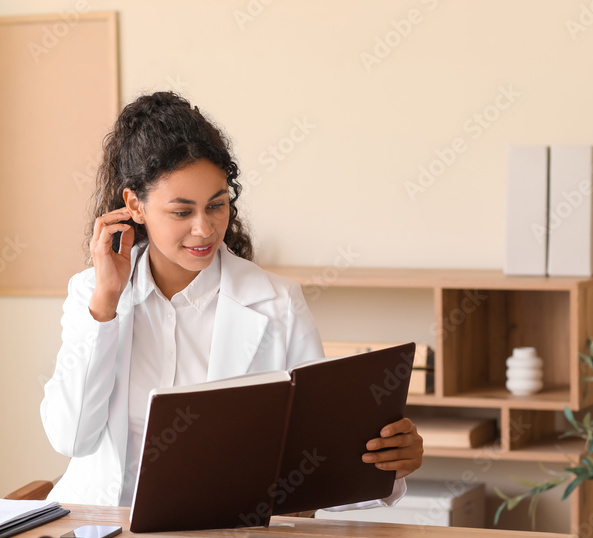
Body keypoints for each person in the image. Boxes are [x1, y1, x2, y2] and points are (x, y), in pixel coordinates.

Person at [41, 91, 423, 508]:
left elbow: (321, 457)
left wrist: (392, 464)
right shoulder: (91, 293)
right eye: (182, 212)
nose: (204, 229)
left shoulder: (276, 303)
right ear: (135, 205)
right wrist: (106, 303)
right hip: (102, 530)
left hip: (220, 537)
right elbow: (71, 437)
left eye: (217, 205)